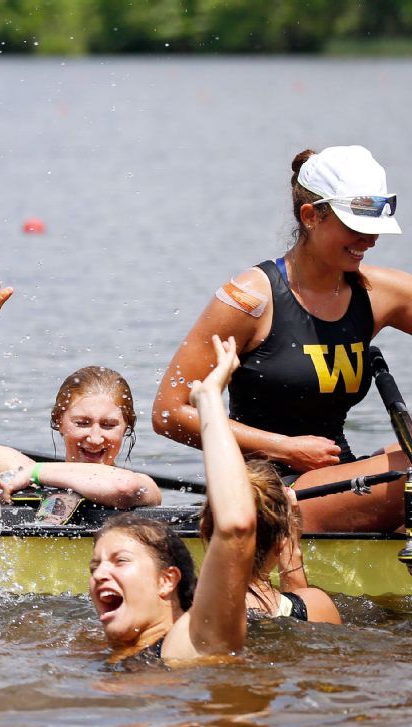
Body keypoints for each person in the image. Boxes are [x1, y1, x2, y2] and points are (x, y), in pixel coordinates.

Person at [153, 146, 410, 532]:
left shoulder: (379, 292)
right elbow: (169, 413)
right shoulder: (249, 300)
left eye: (375, 226)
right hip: (267, 491)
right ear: (310, 216)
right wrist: (284, 447)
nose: (370, 239)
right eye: (356, 226)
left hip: (337, 476)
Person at [0, 280, 160, 507]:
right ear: (58, 421)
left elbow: (123, 488)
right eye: (82, 423)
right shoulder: (23, 469)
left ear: (126, 427)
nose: (95, 438)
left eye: (108, 425)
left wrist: (32, 474)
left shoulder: (143, 487)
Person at [90, 335, 255, 664]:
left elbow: (236, 526)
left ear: (167, 580)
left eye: (120, 561)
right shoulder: (102, 650)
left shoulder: (189, 644)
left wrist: (208, 400)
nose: (98, 575)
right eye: (95, 566)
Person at [199, 460, 341, 624]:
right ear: (280, 542)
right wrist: (291, 546)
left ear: (205, 529)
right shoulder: (318, 606)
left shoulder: (186, 610)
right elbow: (300, 614)